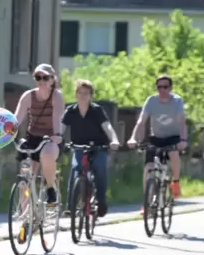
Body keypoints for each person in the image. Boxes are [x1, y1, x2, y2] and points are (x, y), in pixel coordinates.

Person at [127, 75, 187, 214]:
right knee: (148, 167)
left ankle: (176, 182)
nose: (162, 90)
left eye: (165, 87)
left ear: (170, 88)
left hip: (173, 137)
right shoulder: (151, 101)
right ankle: (147, 202)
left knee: (173, 153)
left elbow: (182, 122)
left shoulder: (177, 101)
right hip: (156, 137)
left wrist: (183, 140)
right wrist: (133, 138)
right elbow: (141, 122)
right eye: (159, 87)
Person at [62, 79, 120, 217]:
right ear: (76, 95)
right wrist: (56, 138)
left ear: (91, 96)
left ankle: (101, 201)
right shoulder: (70, 111)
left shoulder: (97, 110)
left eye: (86, 93)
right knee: (75, 169)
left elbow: (108, 127)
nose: (83, 96)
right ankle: (70, 205)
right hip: (79, 147)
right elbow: (60, 128)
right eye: (80, 93)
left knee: (99, 170)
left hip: (98, 147)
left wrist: (114, 139)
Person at [13, 63, 65, 206]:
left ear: (53, 80)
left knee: (48, 154)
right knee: (26, 176)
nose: (41, 81)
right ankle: (25, 216)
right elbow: (16, 119)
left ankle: (50, 188)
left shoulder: (57, 96)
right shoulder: (28, 96)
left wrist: (57, 134)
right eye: (38, 77)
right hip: (33, 138)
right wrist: (6, 134)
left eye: (45, 78)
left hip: (50, 138)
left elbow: (57, 117)